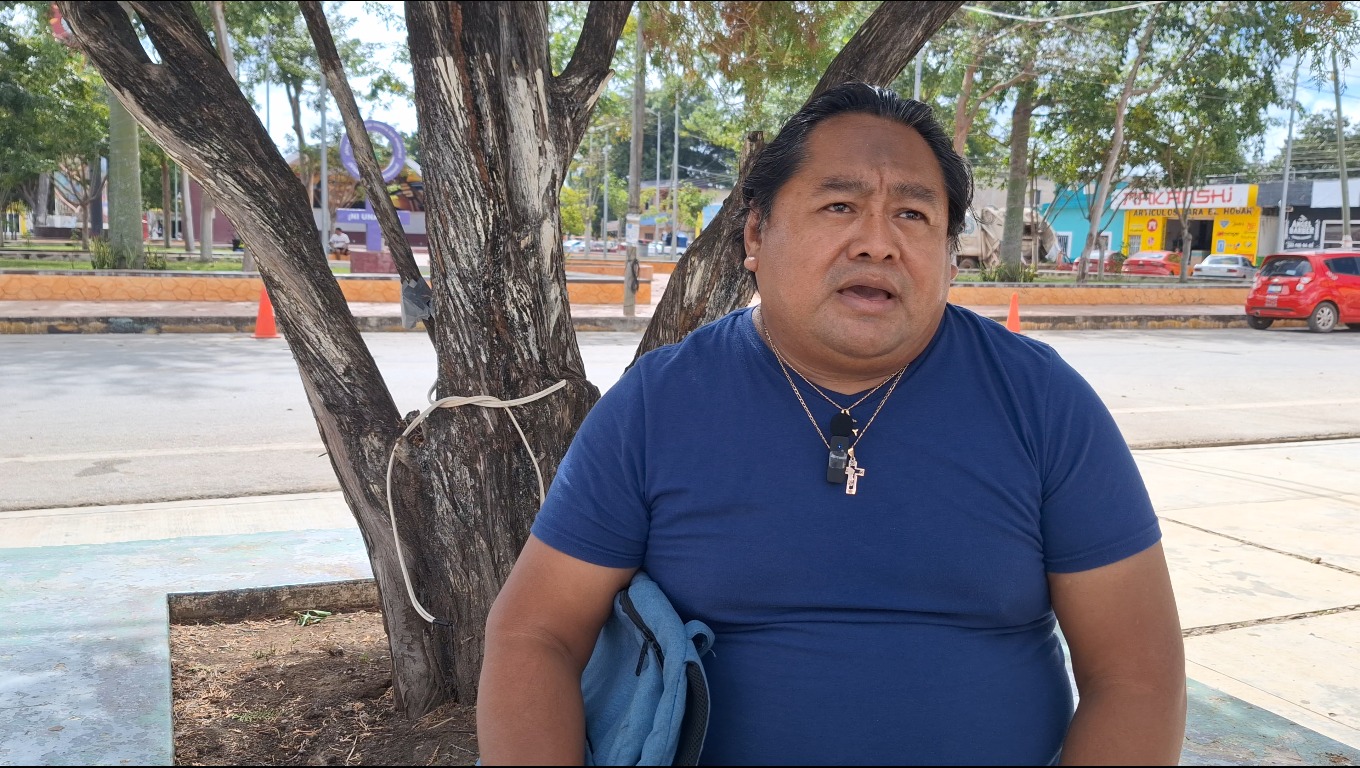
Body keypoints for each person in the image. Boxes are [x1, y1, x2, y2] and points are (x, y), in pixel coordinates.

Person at [478, 83, 1186, 765]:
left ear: (948, 254)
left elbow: (1138, 675)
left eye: (913, 215)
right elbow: (535, 633)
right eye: (840, 205)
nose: (877, 243)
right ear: (756, 235)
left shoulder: (1043, 403)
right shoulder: (655, 406)